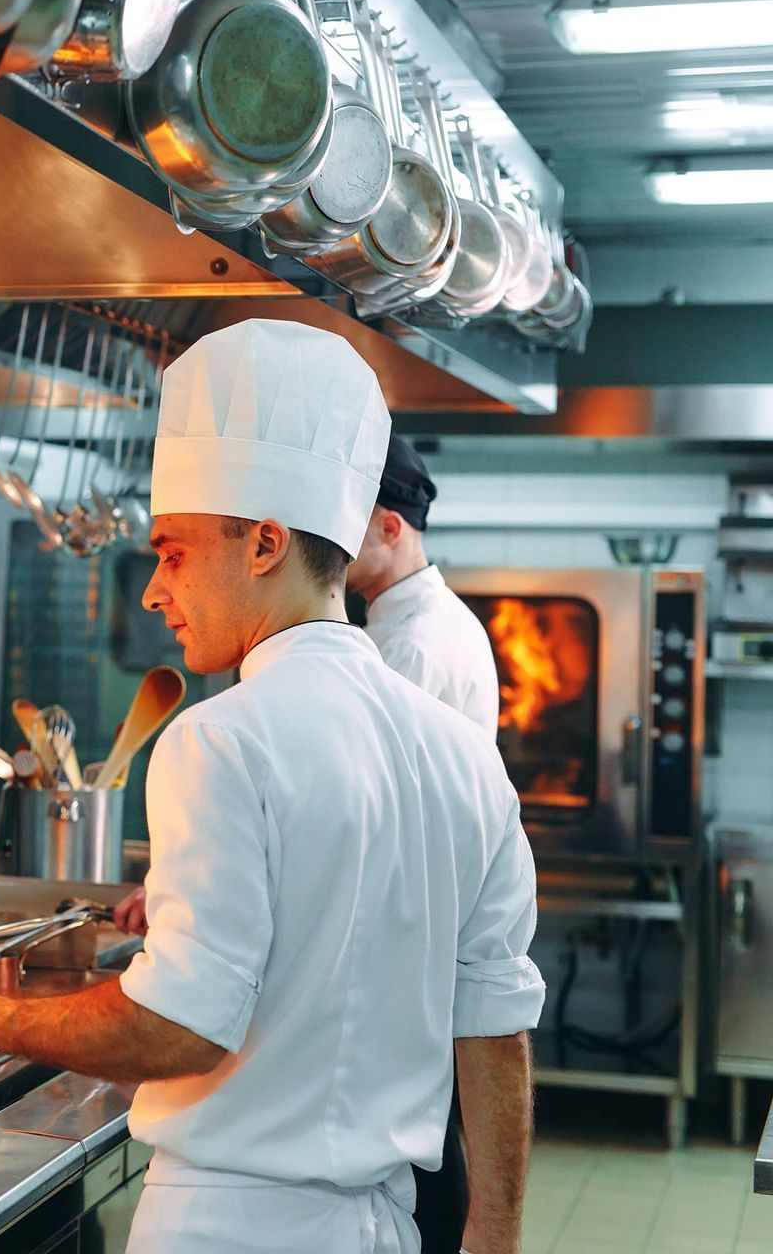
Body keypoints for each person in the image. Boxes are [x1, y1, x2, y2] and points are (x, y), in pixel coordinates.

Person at [0, 319, 543, 1254]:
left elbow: (181, 1026)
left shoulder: (217, 741)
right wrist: (494, 1239)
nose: (152, 591)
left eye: (173, 552)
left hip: (229, 1228)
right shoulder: (466, 759)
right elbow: (495, 1026)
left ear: (264, 542)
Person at [345, 432, 504, 1254]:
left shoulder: (405, 645)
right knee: (432, 1154)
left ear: (392, 527)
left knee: (426, 1170)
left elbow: (363, 819)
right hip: (425, 943)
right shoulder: (439, 622)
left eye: (348, 523)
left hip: (410, 944)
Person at [347, 432, 499, 731]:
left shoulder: (409, 644)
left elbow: (373, 767)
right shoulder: (439, 615)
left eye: (346, 530)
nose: (335, 547)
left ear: (389, 529)